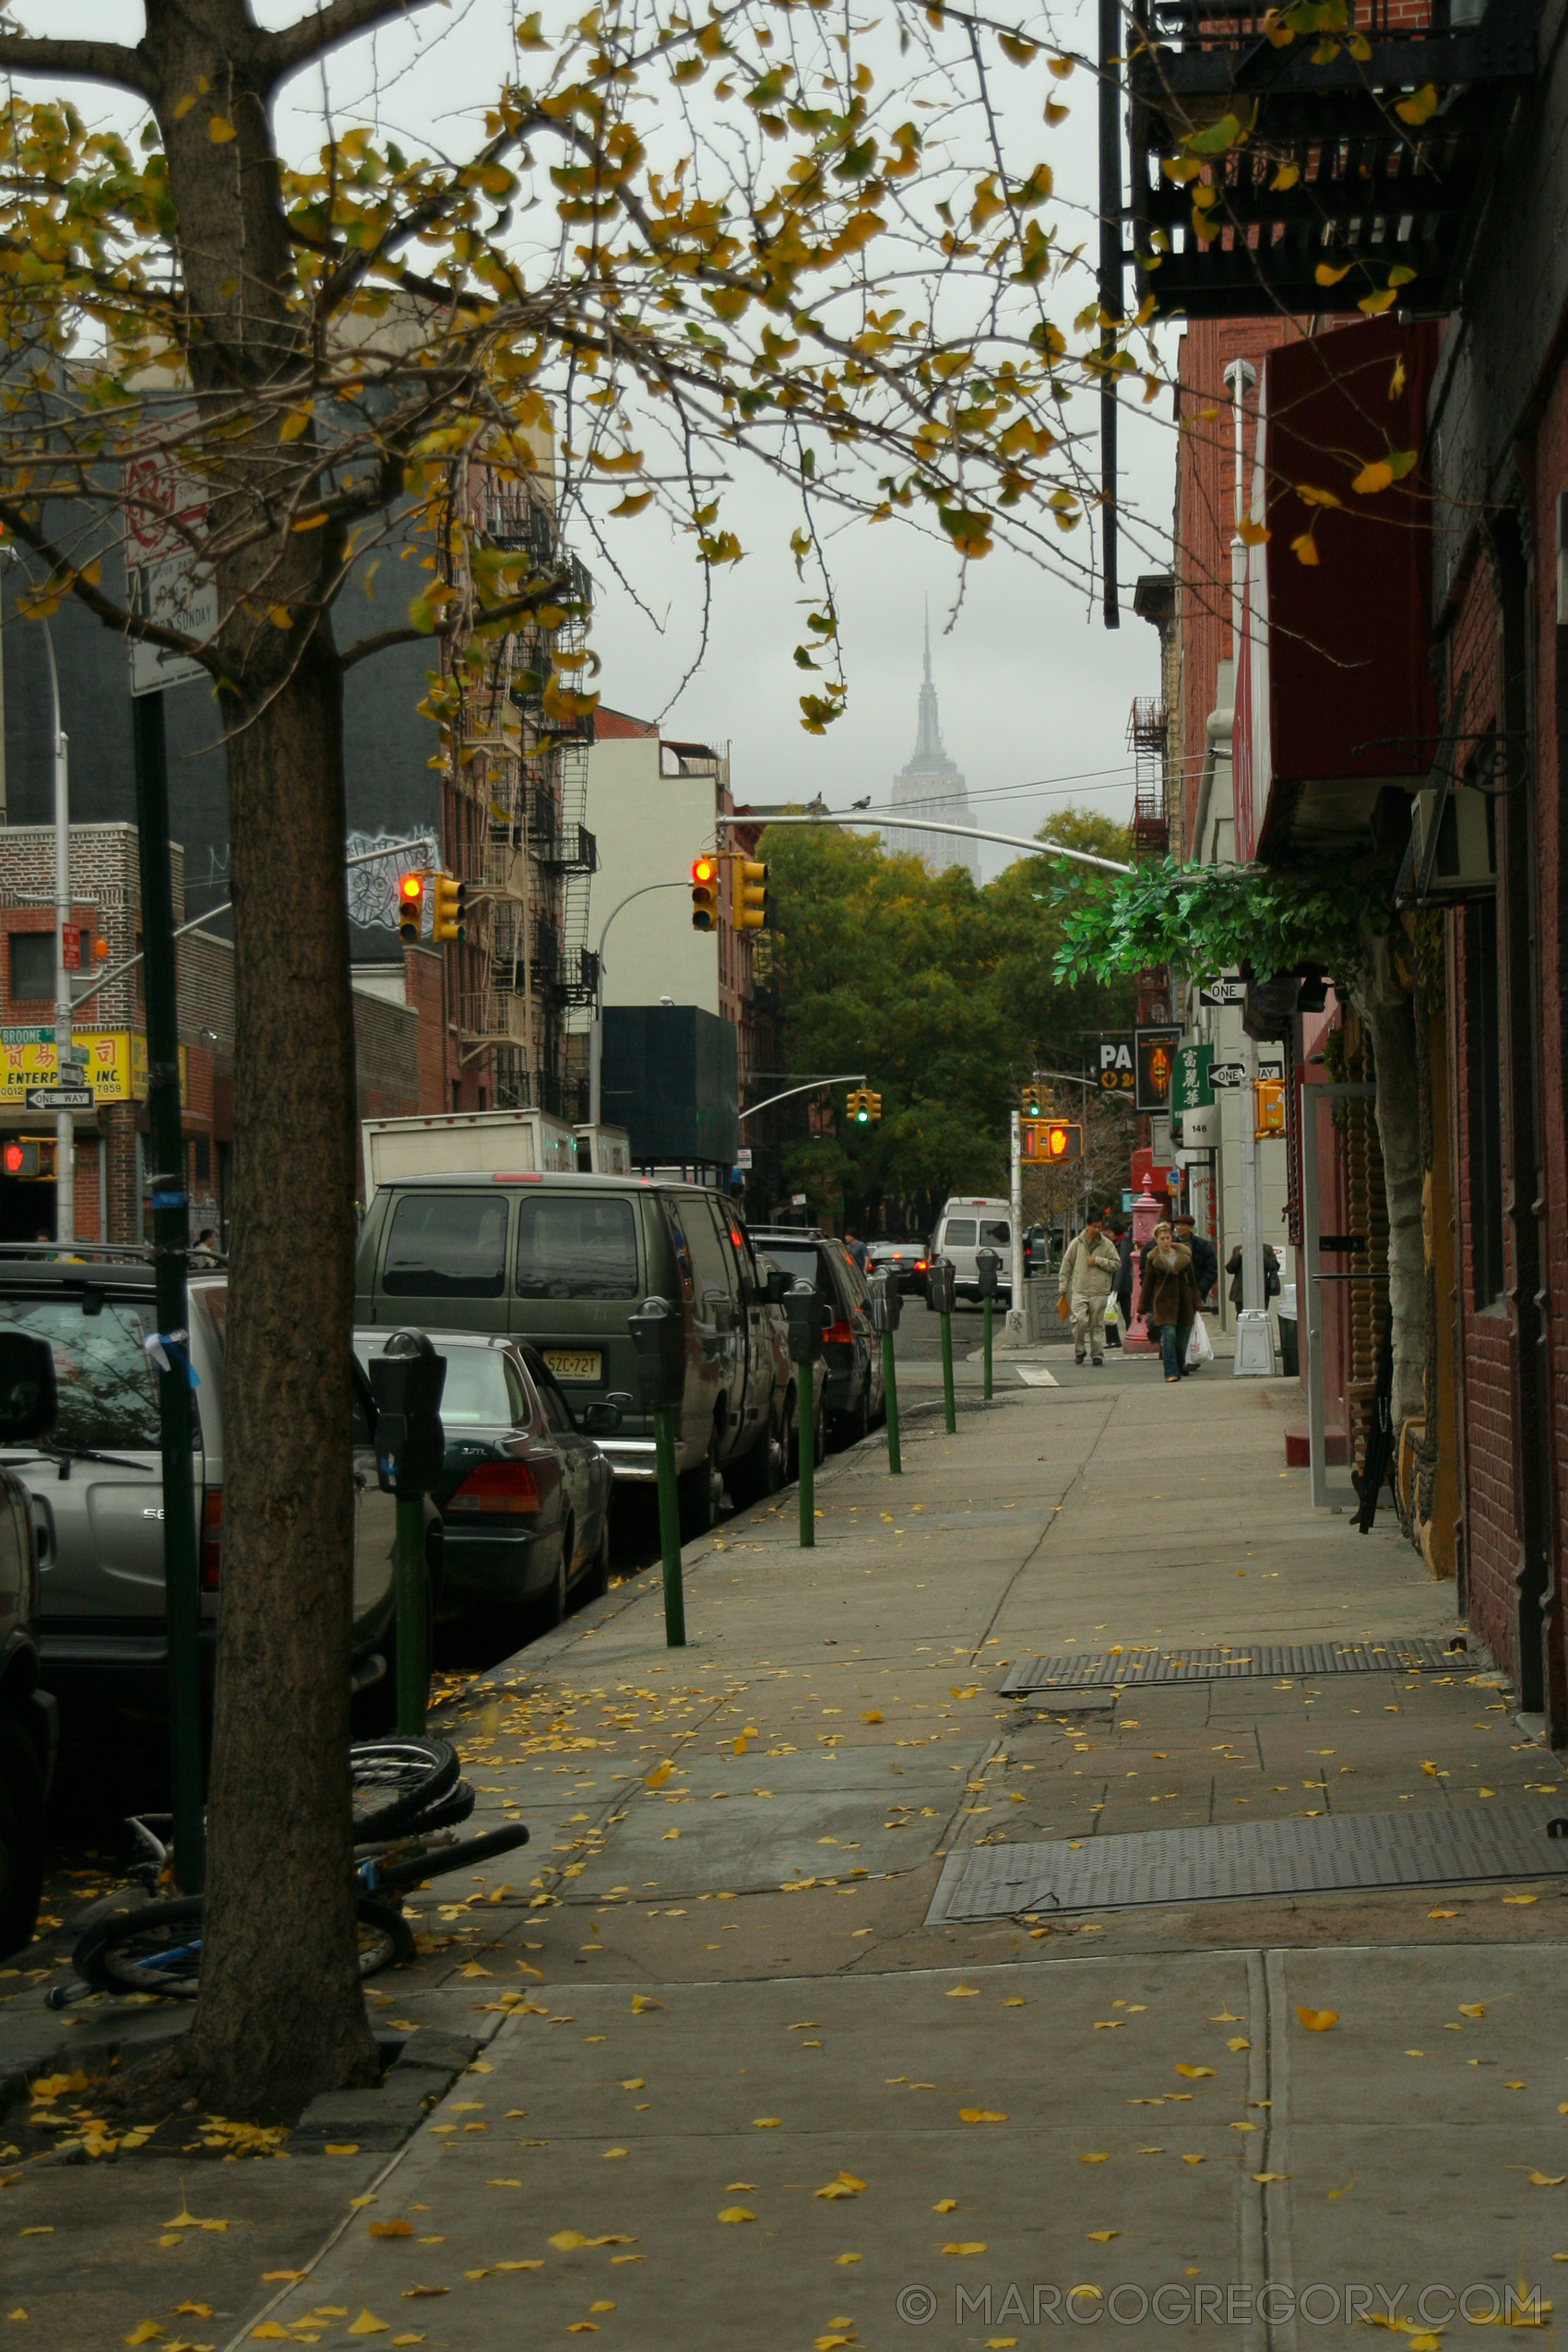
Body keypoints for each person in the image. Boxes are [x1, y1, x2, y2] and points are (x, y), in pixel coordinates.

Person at [1139, 1219, 1200, 1384]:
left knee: (1181, 1341)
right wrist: (1141, 1307)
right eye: (1162, 1239)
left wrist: (1197, 1300)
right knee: (1169, 1336)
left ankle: (1179, 1366)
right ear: (1156, 1240)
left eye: (1168, 1238)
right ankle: (1170, 1372)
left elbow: (1192, 1280)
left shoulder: (1184, 1255)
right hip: (1164, 1303)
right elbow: (1148, 1283)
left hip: (1184, 1302)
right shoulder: (1153, 1259)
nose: (1166, 1241)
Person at [1058, 1210, 1122, 1368]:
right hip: (1080, 1289)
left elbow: (1116, 1264)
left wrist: (1099, 1261)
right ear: (1087, 1226)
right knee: (1079, 1321)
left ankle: (1097, 1354)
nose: (1097, 1230)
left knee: (1096, 1325)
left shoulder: (1107, 1244)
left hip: (1099, 1291)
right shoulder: (1077, 1243)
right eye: (1094, 1227)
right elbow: (1066, 1265)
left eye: (1100, 1227)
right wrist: (1063, 1287)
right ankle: (1080, 1350)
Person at [1175, 1211, 1218, 1310]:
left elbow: (1211, 1269)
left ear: (1190, 1227)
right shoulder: (1171, 1244)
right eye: (1177, 1224)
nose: (1179, 1227)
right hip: (1174, 1292)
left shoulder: (1202, 1245)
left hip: (1194, 1292)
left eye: (1182, 1225)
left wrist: (1200, 1290)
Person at [1226, 1241, 1279, 1310]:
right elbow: (1230, 1269)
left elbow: (1274, 1267)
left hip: (1261, 1293)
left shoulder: (1267, 1249)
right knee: (1241, 1317)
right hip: (1241, 1293)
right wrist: (1239, 1255)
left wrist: (1261, 1255)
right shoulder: (1237, 1249)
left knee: (1261, 1316)